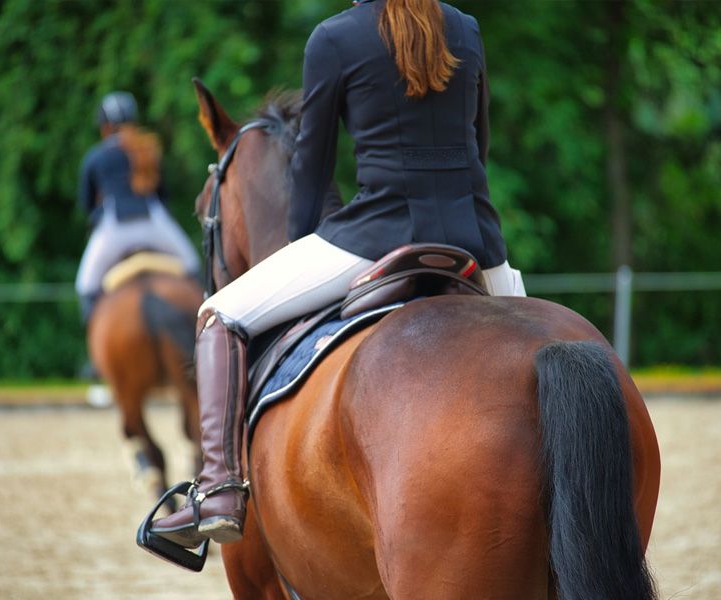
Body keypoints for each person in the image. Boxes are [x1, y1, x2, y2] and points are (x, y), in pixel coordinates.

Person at [150, 0, 526, 548]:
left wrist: (299, 247)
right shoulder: (465, 28)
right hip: (476, 241)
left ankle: (219, 492)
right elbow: (479, 145)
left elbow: (313, 165)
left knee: (217, 314)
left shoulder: (334, 37)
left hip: (375, 237)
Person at [75, 91, 201, 325]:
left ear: (104, 127)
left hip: (113, 230)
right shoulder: (148, 149)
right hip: (153, 224)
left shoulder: (94, 157)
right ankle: (209, 323)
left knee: (85, 285)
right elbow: (163, 196)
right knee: (193, 267)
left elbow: (87, 205)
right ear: (133, 121)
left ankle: (93, 339)